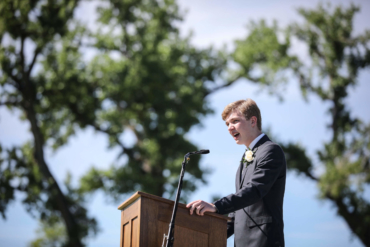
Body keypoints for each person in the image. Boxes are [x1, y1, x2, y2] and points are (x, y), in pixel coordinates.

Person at [186, 99, 286, 247]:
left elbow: (254, 190)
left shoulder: (270, 150)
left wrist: (217, 206)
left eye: (234, 121)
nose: (229, 127)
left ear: (253, 121)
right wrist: (205, 237)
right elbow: (239, 209)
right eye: (227, 124)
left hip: (263, 240)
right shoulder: (246, 156)